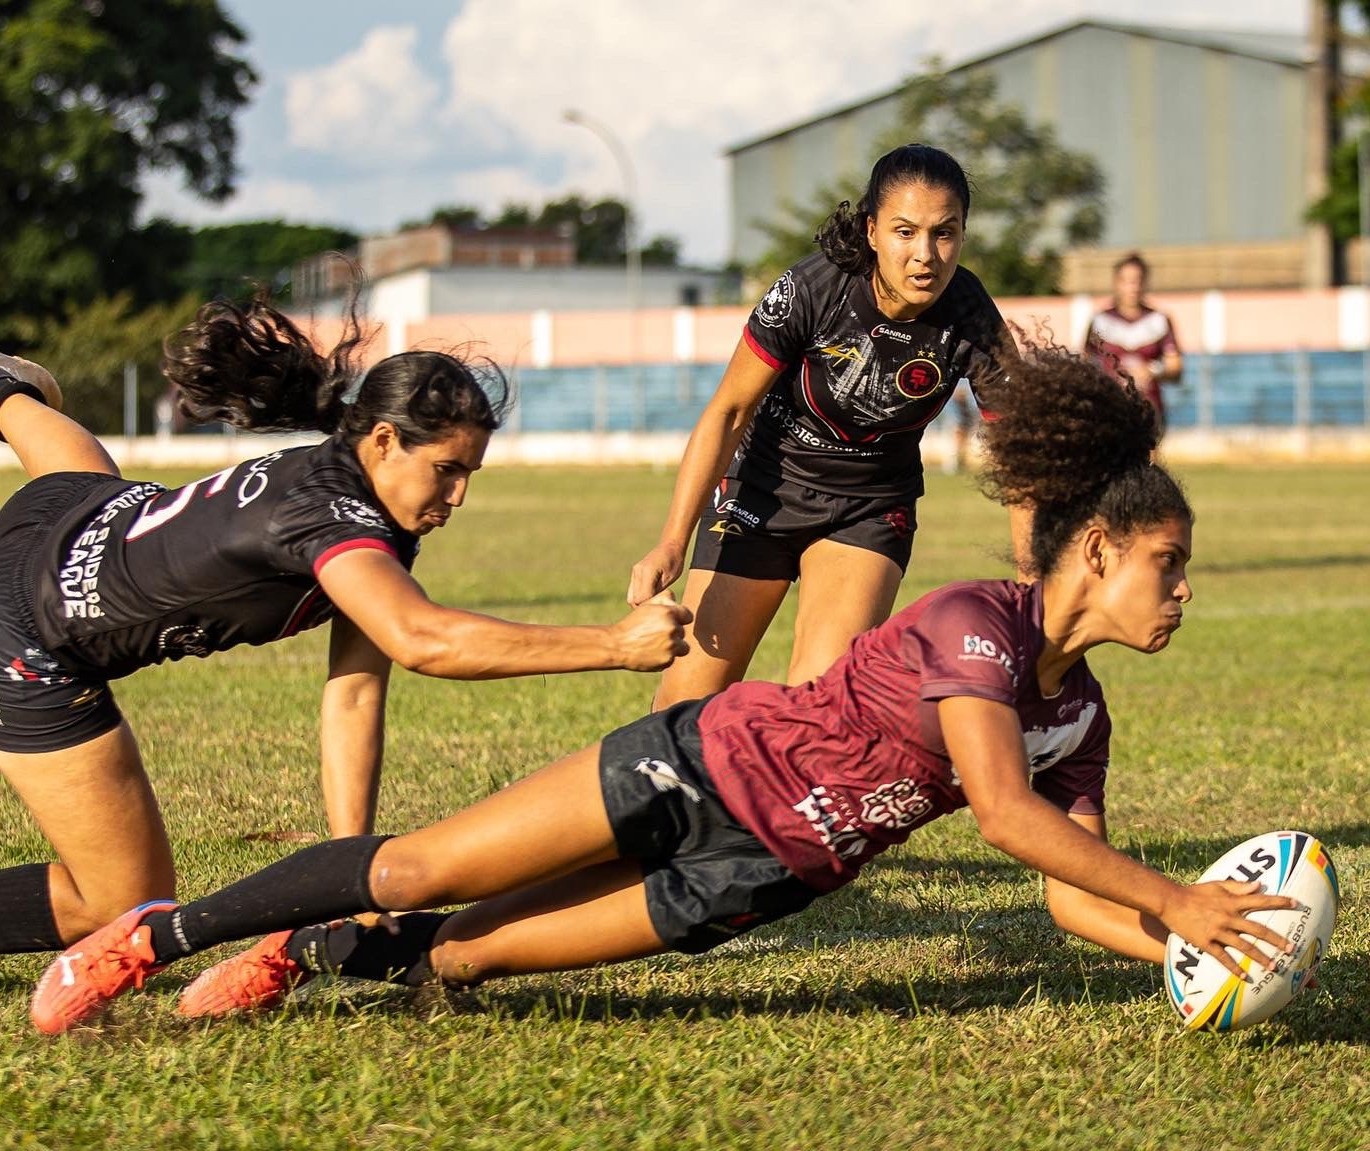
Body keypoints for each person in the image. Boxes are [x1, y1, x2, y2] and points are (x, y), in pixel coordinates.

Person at [31, 344, 1299, 1036]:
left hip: (760, 876)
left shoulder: (1079, 713)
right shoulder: (976, 626)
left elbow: (1065, 879)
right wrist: (1179, 893)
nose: (1179, 593)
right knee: (420, 869)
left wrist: (1188, 937)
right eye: (1165, 566)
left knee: (465, 958)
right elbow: (1004, 814)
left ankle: (305, 952)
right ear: (1093, 552)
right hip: (694, 765)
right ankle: (148, 941)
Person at [0, 293, 689, 962]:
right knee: (123, 902)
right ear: (385, 440)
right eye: (446, 470)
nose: (459, 496)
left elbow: (355, 692)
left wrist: (350, 873)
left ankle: (8, 395)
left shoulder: (363, 496)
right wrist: (615, 644)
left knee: (91, 480)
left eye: (470, 473)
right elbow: (423, 639)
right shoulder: (329, 517)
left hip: (71, 517)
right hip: (29, 637)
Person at [628, 143, 1023, 710]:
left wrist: (1032, 585)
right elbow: (729, 412)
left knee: (817, 708)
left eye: (945, 233)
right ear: (871, 230)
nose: (926, 255)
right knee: (682, 710)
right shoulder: (812, 289)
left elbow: (1021, 451)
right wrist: (672, 540)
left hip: (867, 509)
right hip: (763, 491)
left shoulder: (971, 315)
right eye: (905, 232)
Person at [1085, 252, 1183, 436]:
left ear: (1145, 282)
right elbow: (1085, 364)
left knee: (1147, 463)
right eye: (1127, 281)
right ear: (1116, 283)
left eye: (1137, 280)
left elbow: (1175, 368)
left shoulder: (1159, 320)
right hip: (1109, 409)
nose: (1133, 287)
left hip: (1149, 409)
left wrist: (1152, 371)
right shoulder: (1100, 321)